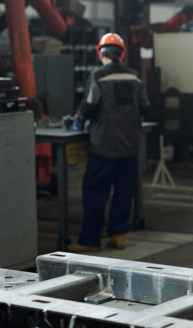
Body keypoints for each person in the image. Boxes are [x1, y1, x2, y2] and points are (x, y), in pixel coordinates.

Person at [68, 33, 150, 253]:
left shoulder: (98, 75)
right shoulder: (135, 77)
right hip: (130, 144)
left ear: (99, 52)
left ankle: (90, 239)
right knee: (124, 191)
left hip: (103, 145)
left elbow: (90, 106)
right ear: (121, 53)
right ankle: (118, 236)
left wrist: (78, 117)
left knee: (95, 191)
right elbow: (145, 106)